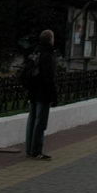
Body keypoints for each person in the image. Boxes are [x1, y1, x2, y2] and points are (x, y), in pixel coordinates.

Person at [25, 29, 58, 160]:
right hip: (43, 92)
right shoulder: (48, 54)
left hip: (33, 90)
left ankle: (29, 149)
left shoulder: (36, 52)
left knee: (32, 120)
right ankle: (37, 151)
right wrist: (54, 95)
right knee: (40, 122)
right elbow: (49, 77)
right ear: (50, 40)